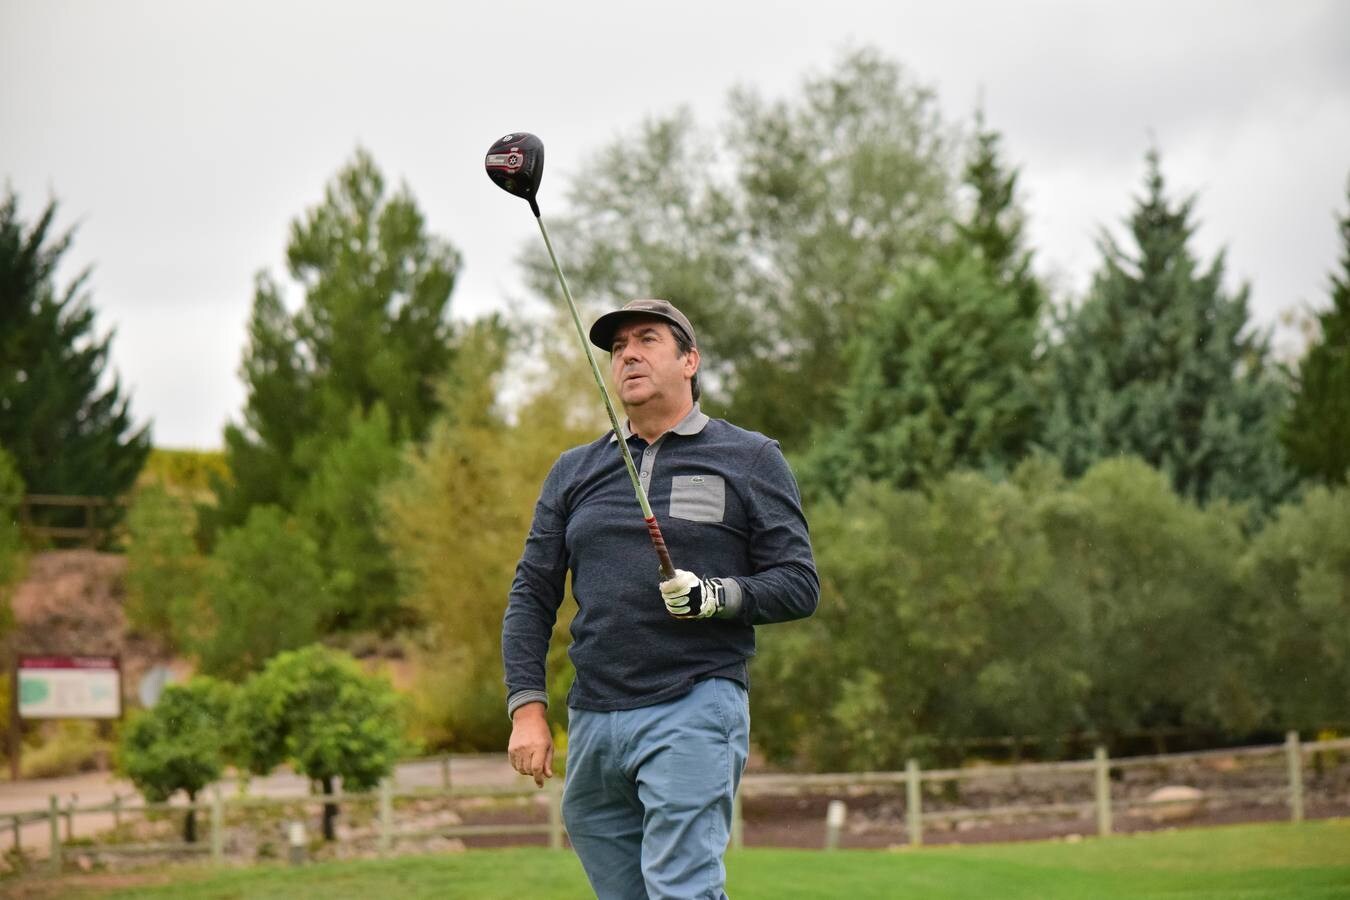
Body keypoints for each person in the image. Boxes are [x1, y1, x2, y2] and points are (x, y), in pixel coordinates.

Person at [502, 298, 819, 899]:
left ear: (690, 361)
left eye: (647, 340)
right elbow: (532, 594)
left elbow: (798, 583)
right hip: (594, 716)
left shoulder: (750, 458)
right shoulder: (575, 470)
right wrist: (527, 708)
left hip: (693, 702)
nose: (629, 355)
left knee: (681, 889)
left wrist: (715, 595)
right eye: (618, 348)